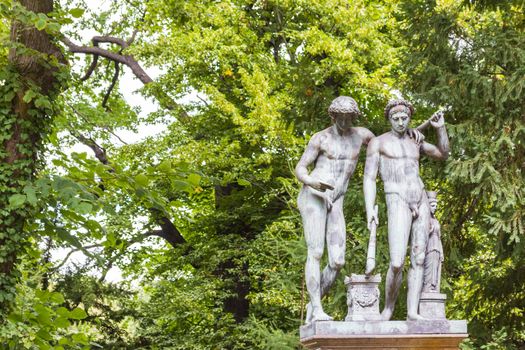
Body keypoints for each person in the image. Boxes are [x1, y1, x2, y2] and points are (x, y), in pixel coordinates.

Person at [363, 99, 449, 320]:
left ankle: (412, 311)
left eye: (404, 118)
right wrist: (370, 208)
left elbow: (442, 154)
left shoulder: (415, 141)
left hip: (419, 197)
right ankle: (389, 308)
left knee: (418, 258)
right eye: (396, 118)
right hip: (396, 198)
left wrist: (440, 130)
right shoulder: (378, 143)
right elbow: (369, 178)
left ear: (409, 118)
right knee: (397, 261)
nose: (400, 122)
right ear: (389, 119)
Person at [296, 96, 374, 323]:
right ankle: (318, 310)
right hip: (315, 195)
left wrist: (413, 133)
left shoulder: (362, 135)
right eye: (341, 118)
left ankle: (314, 302)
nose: (345, 123)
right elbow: (300, 167)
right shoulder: (321, 138)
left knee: (337, 261)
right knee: (316, 252)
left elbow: (388, 143)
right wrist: (311, 182)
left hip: (336, 199)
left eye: (349, 118)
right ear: (333, 116)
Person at [422, 191, 443, 293]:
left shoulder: (436, 221)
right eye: (433, 205)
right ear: (428, 206)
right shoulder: (425, 219)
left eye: (436, 206)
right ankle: (427, 287)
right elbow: (420, 234)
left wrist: (441, 252)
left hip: (436, 247)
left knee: (435, 267)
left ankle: (433, 287)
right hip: (428, 246)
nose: (435, 207)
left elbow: (439, 237)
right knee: (428, 268)